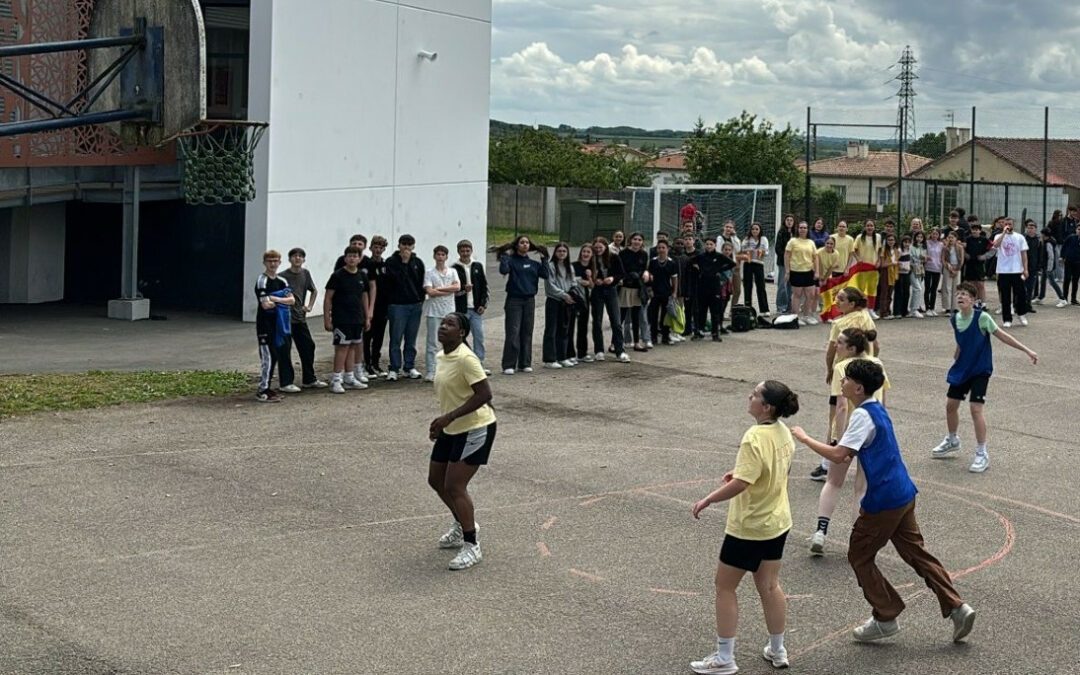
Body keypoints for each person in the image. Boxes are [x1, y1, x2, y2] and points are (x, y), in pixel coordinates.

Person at [791, 360, 977, 645]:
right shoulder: (876, 408)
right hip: (903, 493)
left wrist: (805, 439)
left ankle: (885, 615)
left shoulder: (862, 416)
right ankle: (956, 607)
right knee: (917, 553)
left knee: (859, 555)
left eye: (846, 379)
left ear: (858, 387)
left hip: (884, 500)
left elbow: (840, 455)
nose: (842, 383)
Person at [689, 381, 799, 674]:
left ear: (766, 407)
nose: (749, 397)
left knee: (724, 586)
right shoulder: (784, 433)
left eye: (755, 395)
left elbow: (743, 483)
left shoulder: (754, 437)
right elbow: (772, 471)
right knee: (770, 585)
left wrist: (708, 499)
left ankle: (725, 657)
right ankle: (777, 649)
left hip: (749, 526)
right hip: (777, 522)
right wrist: (740, 472)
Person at [930, 282, 1038, 473]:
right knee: (950, 406)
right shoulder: (954, 319)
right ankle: (952, 440)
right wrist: (957, 355)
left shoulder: (982, 318)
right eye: (958, 294)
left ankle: (982, 453)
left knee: (975, 409)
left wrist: (1027, 350)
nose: (960, 297)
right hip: (962, 368)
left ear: (973, 300)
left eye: (964, 294)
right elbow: (961, 341)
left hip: (980, 369)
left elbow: (1003, 336)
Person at [809, 327, 889, 554]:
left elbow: (842, 406)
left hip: (849, 432)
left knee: (833, 482)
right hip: (872, 431)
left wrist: (839, 439)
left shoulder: (842, 368)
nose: (836, 346)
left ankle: (821, 531)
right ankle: (857, 539)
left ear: (852, 348)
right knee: (860, 488)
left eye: (841, 343)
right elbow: (883, 401)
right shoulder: (877, 364)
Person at [428, 312, 496, 571]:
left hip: (476, 428)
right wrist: (442, 423)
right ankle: (461, 522)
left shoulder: (467, 358)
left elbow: (484, 394)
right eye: (443, 323)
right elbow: (450, 394)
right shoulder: (441, 356)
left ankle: (472, 545)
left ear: (462, 333)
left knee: (455, 485)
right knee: (436, 480)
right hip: (452, 427)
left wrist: (449, 418)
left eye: (450, 324)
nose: (443, 327)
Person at [810, 286, 879, 482]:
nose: (837, 302)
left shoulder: (839, 324)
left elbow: (831, 351)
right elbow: (877, 344)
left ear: (852, 303)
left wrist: (830, 369)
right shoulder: (866, 316)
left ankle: (828, 462)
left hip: (846, 375)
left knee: (836, 417)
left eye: (841, 299)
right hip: (866, 373)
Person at [497, 235, 550, 374]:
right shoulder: (512, 261)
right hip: (514, 300)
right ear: (517, 245)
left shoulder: (533, 264)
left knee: (527, 331)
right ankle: (509, 364)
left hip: (529, 300)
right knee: (513, 332)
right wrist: (504, 257)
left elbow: (545, 274)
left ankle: (524, 362)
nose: (525, 245)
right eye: (522, 242)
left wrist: (544, 258)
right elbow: (503, 270)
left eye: (527, 242)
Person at [323, 245, 371, 393]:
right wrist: (327, 319)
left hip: (357, 319)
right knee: (342, 348)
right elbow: (328, 298)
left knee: (353, 347)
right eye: (349, 256)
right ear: (345, 258)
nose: (352, 258)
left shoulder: (362, 276)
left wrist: (367, 316)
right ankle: (336, 378)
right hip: (341, 318)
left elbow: (364, 296)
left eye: (355, 256)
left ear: (359, 258)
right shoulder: (337, 276)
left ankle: (349, 377)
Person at [278, 247, 326, 391]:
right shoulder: (282, 277)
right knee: (284, 350)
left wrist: (310, 306)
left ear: (304, 259)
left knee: (308, 346)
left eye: (300, 256)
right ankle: (286, 382)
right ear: (289, 259)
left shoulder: (305, 274)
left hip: (300, 318)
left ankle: (309, 379)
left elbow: (314, 290)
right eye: (294, 256)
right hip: (285, 319)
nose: (297, 258)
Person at [384, 234, 426, 381]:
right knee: (396, 338)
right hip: (397, 305)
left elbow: (421, 282)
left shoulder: (418, 262)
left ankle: (409, 366)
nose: (406, 247)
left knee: (411, 338)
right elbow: (392, 280)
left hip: (414, 305)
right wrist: (403, 262)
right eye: (404, 244)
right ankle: (394, 368)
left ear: (413, 246)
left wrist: (420, 299)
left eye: (409, 244)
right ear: (399, 245)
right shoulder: (391, 262)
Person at [254, 250, 294, 402]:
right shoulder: (262, 280)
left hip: (279, 324)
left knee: (276, 355)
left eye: (275, 261)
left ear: (279, 262)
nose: (272, 264)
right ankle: (262, 390)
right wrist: (279, 299)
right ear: (264, 263)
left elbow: (292, 300)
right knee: (267, 357)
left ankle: (268, 387)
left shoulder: (282, 281)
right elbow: (265, 305)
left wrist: (274, 298)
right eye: (269, 261)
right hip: (265, 325)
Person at [423, 245, 462, 382]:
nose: (440, 257)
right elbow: (430, 292)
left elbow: (457, 287)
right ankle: (431, 370)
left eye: (443, 255)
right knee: (432, 342)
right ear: (434, 256)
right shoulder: (429, 272)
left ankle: (447, 371)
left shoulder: (452, 272)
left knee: (450, 341)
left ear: (446, 257)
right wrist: (448, 290)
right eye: (438, 254)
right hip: (433, 311)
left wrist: (439, 289)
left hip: (449, 311)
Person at [452, 239, 490, 374]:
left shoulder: (477, 266)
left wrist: (483, 305)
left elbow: (484, 287)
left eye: (467, 250)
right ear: (458, 252)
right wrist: (463, 289)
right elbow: (453, 290)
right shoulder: (454, 268)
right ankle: (461, 364)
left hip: (475, 309)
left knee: (479, 336)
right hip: (461, 309)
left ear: (471, 251)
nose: (465, 253)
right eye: (462, 251)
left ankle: (479, 363)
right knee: (459, 337)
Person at [589, 237, 628, 362]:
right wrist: (595, 280)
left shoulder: (614, 257)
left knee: (616, 321)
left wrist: (612, 279)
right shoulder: (591, 258)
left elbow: (621, 273)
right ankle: (599, 350)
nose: (598, 250)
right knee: (597, 321)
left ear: (606, 247)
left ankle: (619, 350)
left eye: (601, 247)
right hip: (597, 291)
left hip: (611, 290)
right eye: (596, 248)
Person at [542, 242, 580, 369]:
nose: (562, 253)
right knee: (551, 330)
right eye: (559, 251)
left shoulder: (570, 267)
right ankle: (549, 359)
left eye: (564, 251)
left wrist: (571, 295)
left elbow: (574, 282)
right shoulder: (551, 266)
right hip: (554, 301)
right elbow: (550, 285)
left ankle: (562, 356)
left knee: (564, 330)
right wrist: (564, 295)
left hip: (566, 302)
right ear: (555, 252)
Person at [693, 237, 736, 342]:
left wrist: (720, 269)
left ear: (715, 245)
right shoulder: (701, 256)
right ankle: (699, 331)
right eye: (707, 244)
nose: (708, 246)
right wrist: (698, 270)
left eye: (711, 244)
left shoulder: (719, 256)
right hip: (702, 286)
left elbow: (732, 263)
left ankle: (715, 333)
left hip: (715, 287)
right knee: (701, 311)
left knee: (715, 311)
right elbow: (690, 262)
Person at [991, 217, 1030, 327]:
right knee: (1005, 296)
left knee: (1021, 294)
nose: (1008, 225)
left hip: (1017, 270)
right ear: (1003, 225)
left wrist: (1025, 269)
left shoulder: (1020, 237)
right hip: (1003, 271)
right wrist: (1003, 233)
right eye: (1006, 224)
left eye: (1010, 224)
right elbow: (995, 245)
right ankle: (1007, 319)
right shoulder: (998, 236)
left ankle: (1021, 314)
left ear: (1014, 225)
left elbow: (1024, 254)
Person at [618, 232, 651, 352]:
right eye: (635, 239)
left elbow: (644, 269)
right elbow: (620, 269)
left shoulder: (643, 254)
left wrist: (646, 272)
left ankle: (637, 342)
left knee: (636, 317)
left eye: (639, 240)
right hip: (626, 287)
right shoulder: (623, 253)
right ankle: (615, 343)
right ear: (630, 240)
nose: (637, 241)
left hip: (638, 288)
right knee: (621, 317)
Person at [363, 235, 390, 378]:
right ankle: (366, 364)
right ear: (371, 248)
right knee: (367, 336)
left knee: (379, 337)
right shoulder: (367, 264)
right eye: (376, 247)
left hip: (383, 307)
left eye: (381, 247)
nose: (378, 250)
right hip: (369, 305)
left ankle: (375, 363)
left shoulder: (386, 266)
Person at [784, 221, 819, 325]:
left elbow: (815, 257)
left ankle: (806, 316)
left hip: (808, 271)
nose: (802, 229)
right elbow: (786, 256)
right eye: (801, 228)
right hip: (796, 271)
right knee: (797, 295)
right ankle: (795, 317)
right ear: (797, 229)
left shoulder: (811, 242)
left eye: (805, 228)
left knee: (811, 295)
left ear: (808, 229)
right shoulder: (792, 241)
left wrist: (817, 271)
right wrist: (787, 271)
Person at [647, 239, 679, 345]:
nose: (661, 250)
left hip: (667, 292)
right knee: (653, 315)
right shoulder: (653, 262)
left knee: (666, 316)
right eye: (659, 248)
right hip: (655, 292)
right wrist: (650, 289)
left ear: (667, 249)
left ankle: (665, 336)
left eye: (663, 248)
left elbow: (674, 279)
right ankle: (653, 337)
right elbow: (649, 277)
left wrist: (674, 292)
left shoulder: (671, 263)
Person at [568, 244, 595, 362]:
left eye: (588, 252)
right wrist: (579, 281)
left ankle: (582, 353)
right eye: (584, 251)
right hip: (573, 298)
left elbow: (592, 285)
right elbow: (569, 280)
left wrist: (589, 279)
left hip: (585, 300)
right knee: (570, 326)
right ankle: (569, 353)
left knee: (583, 326)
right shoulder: (573, 266)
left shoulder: (592, 267)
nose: (586, 254)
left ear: (592, 255)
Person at [850, 219, 881, 317]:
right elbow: (853, 250)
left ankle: (871, 309)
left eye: (871, 226)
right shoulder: (859, 237)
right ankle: (861, 309)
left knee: (872, 289)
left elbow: (880, 250)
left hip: (873, 268)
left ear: (874, 227)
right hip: (862, 268)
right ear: (865, 227)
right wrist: (858, 259)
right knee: (861, 290)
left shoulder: (878, 237)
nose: (870, 227)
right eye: (868, 225)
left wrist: (879, 261)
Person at [741, 221, 770, 315]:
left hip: (759, 264)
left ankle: (764, 309)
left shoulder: (764, 239)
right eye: (753, 229)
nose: (754, 231)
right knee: (747, 286)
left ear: (760, 230)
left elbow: (767, 252)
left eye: (757, 229)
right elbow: (742, 251)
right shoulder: (746, 239)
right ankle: (747, 308)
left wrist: (759, 252)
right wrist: (749, 251)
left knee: (761, 286)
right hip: (748, 264)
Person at [1035, 227, 1067, 308]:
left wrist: (1049, 268)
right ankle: (1040, 297)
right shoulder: (1045, 241)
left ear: (1044, 235)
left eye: (1041, 234)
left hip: (1048, 266)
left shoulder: (1048, 243)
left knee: (1052, 282)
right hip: (1045, 265)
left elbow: (1051, 256)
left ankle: (1062, 299)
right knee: (1042, 282)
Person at [963, 218, 990, 307]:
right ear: (971, 230)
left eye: (976, 230)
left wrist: (984, 256)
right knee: (971, 285)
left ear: (980, 231)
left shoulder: (984, 240)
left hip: (980, 265)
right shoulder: (967, 239)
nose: (975, 231)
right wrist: (965, 254)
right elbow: (961, 247)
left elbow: (993, 249)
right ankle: (974, 302)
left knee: (980, 284)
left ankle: (983, 303)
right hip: (969, 264)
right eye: (973, 230)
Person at [940, 230, 965, 315]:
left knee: (956, 287)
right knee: (947, 287)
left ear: (956, 238)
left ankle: (955, 307)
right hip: (948, 268)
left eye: (952, 237)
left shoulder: (960, 247)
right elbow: (943, 259)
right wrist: (948, 267)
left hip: (957, 268)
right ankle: (947, 308)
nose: (951, 239)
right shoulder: (945, 248)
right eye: (949, 237)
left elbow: (961, 260)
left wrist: (957, 269)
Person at [774, 214, 795, 314]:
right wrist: (786, 258)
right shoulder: (781, 233)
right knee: (783, 284)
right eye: (788, 220)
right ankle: (781, 306)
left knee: (791, 285)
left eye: (791, 220)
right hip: (783, 263)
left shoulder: (795, 233)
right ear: (785, 221)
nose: (789, 222)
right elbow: (778, 249)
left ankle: (789, 306)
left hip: (795, 264)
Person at [720, 221, 743, 309]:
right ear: (724, 227)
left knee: (737, 290)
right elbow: (719, 251)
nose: (728, 229)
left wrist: (734, 236)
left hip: (734, 266)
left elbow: (738, 249)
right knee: (724, 291)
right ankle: (721, 311)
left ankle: (733, 311)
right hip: (723, 267)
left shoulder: (734, 238)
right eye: (727, 227)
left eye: (731, 227)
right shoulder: (720, 238)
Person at [877, 232, 898, 319]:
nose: (891, 241)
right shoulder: (883, 250)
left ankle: (888, 310)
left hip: (893, 273)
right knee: (884, 293)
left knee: (890, 293)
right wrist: (891, 263)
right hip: (885, 273)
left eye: (892, 240)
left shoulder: (896, 250)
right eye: (889, 240)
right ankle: (883, 312)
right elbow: (882, 264)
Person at [890, 235, 912, 320]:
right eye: (905, 242)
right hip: (899, 273)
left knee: (906, 292)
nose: (906, 244)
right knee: (899, 292)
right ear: (902, 242)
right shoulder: (899, 251)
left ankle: (904, 310)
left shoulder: (909, 250)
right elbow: (894, 261)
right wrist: (901, 266)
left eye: (908, 242)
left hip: (907, 273)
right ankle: (897, 311)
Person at [924, 228, 944, 317]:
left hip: (937, 268)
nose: (935, 235)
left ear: (939, 235)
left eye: (936, 234)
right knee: (927, 288)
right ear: (930, 234)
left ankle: (932, 307)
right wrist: (926, 257)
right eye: (933, 234)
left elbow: (942, 255)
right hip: (928, 267)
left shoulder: (941, 244)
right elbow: (923, 253)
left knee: (934, 289)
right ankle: (927, 308)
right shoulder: (927, 243)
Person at [1022, 220, 1042, 306]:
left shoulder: (1038, 240)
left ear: (1035, 229)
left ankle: (1028, 304)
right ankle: (1019, 304)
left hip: (1033, 266)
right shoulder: (1023, 238)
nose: (1030, 229)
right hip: (1022, 266)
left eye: (1032, 228)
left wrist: (1039, 265)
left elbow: (1040, 253)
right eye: (1028, 228)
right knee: (1022, 286)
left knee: (1030, 287)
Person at [908, 231, 927, 318]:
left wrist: (924, 259)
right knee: (917, 288)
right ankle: (914, 309)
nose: (919, 239)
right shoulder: (911, 247)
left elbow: (924, 259)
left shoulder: (923, 247)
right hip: (912, 269)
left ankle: (913, 309)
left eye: (921, 237)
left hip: (920, 269)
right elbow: (910, 257)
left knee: (919, 288)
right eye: (918, 237)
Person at [1063, 220, 1080, 305]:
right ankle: (1064, 298)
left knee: (1075, 280)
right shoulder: (1071, 237)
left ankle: (1073, 299)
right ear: (1076, 230)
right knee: (1067, 279)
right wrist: (1062, 257)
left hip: (1078, 263)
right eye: (1079, 229)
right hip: (1069, 261)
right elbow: (1064, 246)